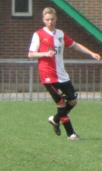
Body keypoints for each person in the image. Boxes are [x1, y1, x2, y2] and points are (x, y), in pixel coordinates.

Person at [28, 7, 100, 141]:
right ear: (43, 20)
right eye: (47, 19)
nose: (50, 22)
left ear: (56, 19)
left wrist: (91, 53)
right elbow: (31, 53)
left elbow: (74, 45)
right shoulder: (38, 34)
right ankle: (71, 134)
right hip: (48, 76)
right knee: (61, 103)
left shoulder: (60, 34)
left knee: (73, 101)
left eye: (52, 19)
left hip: (62, 75)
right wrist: (45, 53)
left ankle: (55, 119)